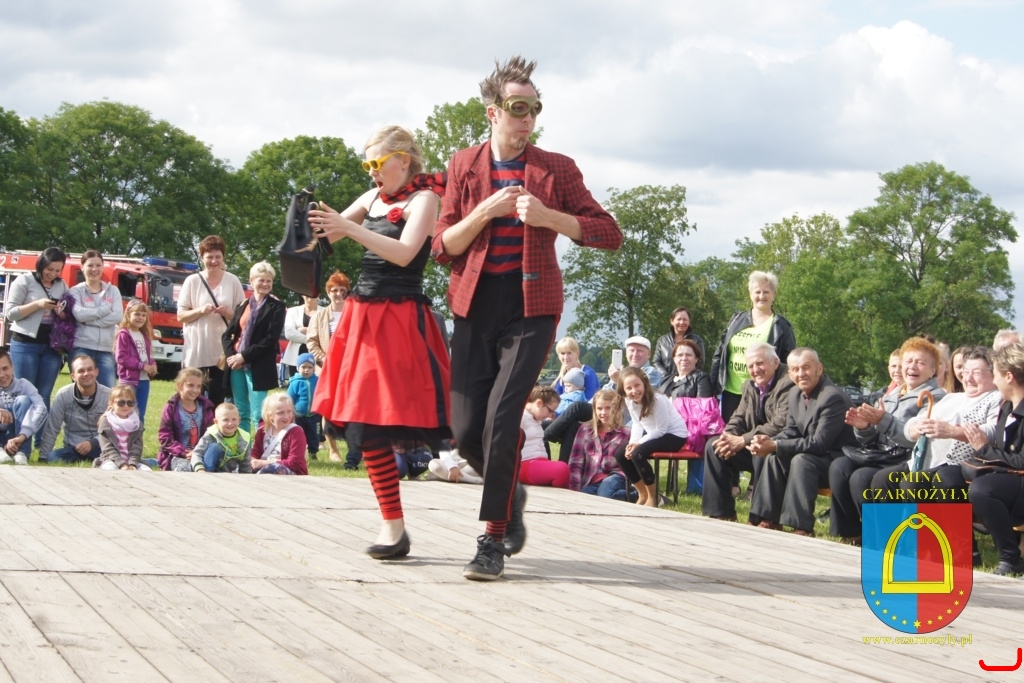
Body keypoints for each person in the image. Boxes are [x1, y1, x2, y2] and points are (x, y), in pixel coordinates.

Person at [431, 55, 622, 580]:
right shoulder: (463, 164)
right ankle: (510, 490)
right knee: (465, 429)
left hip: (531, 308)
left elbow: (609, 233)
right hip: (474, 305)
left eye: (535, 108)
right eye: (518, 108)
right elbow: (442, 247)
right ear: (493, 112)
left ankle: (491, 540)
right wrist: (485, 211)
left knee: (500, 420)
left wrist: (549, 217)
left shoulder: (556, 168)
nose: (528, 118)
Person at [309, 124, 451, 561]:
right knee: (363, 423)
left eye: (377, 162)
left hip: (402, 320)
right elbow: (327, 236)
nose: (371, 171)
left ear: (403, 160)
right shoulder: (372, 198)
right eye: (366, 163)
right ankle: (393, 525)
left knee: (442, 427)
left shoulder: (424, 199)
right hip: (363, 318)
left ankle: (504, 504)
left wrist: (347, 229)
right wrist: (309, 222)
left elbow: (405, 253)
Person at [829, 337, 945, 543]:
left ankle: (884, 537)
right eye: (908, 361)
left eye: (920, 363)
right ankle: (851, 532)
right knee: (840, 466)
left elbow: (915, 438)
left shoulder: (934, 398)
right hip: (882, 454)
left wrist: (883, 420)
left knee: (861, 477)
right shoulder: (891, 396)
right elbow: (872, 439)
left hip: (905, 458)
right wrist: (863, 427)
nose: (912, 367)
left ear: (933, 371)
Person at [748, 347, 856, 536]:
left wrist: (776, 445)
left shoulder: (832, 397)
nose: (801, 374)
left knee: (801, 460)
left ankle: (802, 527)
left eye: (806, 368)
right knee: (773, 457)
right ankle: (769, 519)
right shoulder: (795, 394)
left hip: (837, 460)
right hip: (815, 456)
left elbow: (820, 443)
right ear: (789, 373)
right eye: (795, 369)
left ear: (819, 369)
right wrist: (769, 440)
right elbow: (791, 432)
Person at [702, 342, 794, 521]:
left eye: (760, 363)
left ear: (775, 362)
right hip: (753, 443)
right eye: (750, 366)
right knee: (714, 446)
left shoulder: (789, 383)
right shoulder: (749, 385)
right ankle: (721, 514)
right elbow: (739, 417)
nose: (755, 370)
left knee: (761, 450)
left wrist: (743, 440)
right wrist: (728, 437)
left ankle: (761, 519)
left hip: (779, 447)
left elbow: (779, 424)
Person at [964, 343, 1024, 576]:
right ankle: (961, 551)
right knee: (948, 478)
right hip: (1009, 475)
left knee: (983, 490)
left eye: (996, 374)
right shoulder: (1007, 406)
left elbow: (1021, 462)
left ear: (1009, 376)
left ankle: (1010, 558)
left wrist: (984, 449)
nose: (995, 381)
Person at [710, 271, 796, 422]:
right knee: (731, 432)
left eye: (766, 292)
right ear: (750, 294)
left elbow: (789, 362)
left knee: (758, 434)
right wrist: (712, 387)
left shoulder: (781, 326)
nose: (761, 296)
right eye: (757, 292)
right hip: (731, 393)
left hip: (763, 394)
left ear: (774, 294)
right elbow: (720, 353)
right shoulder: (736, 320)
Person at [177, 235, 246, 405]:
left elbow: (244, 316)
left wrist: (228, 312)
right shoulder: (192, 281)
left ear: (223, 257)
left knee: (217, 400)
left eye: (218, 257)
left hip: (221, 352)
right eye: (209, 257)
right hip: (196, 350)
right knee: (191, 398)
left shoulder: (233, 281)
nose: (214, 261)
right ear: (202, 258)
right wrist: (200, 311)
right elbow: (180, 316)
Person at [5, 247, 69, 426]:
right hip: (25, 343)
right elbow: (10, 313)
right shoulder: (24, 280)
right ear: (41, 264)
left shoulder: (62, 285)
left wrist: (60, 311)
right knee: (24, 394)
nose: (53, 274)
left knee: (44, 394)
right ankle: (21, 435)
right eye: (49, 269)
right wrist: (38, 304)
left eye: (57, 270)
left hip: (52, 345)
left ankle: (41, 439)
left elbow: (67, 315)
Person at [222, 261, 287, 434]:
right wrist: (232, 357)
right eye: (261, 280)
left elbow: (270, 339)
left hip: (258, 365)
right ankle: (244, 445)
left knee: (259, 413)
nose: (265, 284)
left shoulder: (277, 307)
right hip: (236, 366)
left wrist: (243, 356)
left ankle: (260, 446)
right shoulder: (243, 305)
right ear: (251, 281)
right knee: (241, 411)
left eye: (269, 281)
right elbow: (227, 335)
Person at [614, 366, 689, 506]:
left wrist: (639, 444)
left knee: (638, 454)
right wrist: (632, 443)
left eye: (637, 385)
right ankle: (642, 494)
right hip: (654, 435)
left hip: (674, 436)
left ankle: (653, 497)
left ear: (644, 383)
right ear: (623, 390)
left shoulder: (658, 399)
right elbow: (637, 424)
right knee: (621, 454)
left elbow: (661, 430)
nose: (634, 391)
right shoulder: (629, 401)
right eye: (628, 388)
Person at [307, 271, 351, 464]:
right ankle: (333, 450)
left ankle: (355, 450)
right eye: (335, 290)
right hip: (327, 369)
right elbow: (311, 342)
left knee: (353, 408)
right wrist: (324, 359)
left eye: (342, 290)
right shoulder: (319, 316)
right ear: (328, 292)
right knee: (327, 408)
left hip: (351, 368)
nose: (338, 293)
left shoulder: (355, 314)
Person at [38, 354, 111, 464]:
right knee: (53, 457)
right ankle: (100, 461)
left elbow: (114, 429)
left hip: (101, 446)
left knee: (118, 452)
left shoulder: (109, 396)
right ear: (73, 376)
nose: (86, 374)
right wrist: (43, 457)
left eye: (90, 369)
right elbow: (52, 427)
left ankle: (103, 459)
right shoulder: (63, 395)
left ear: (96, 372)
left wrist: (93, 443)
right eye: (81, 371)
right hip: (74, 449)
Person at [69, 250, 123, 389]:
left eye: (98, 265)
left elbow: (118, 316)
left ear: (103, 267)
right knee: (82, 391)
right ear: (82, 267)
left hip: (105, 350)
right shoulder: (75, 291)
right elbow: (79, 315)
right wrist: (104, 310)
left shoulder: (113, 290)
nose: (94, 269)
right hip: (81, 347)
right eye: (90, 265)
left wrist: (88, 321)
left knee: (108, 392)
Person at [567, 389, 631, 501]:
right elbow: (576, 462)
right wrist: (574, 488)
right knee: (584, 496)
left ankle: (640, 495)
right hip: (591, 479)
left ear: (616, 409)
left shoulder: (626, 434)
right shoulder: (585, 430)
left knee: (606, 494)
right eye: (599, 409)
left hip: (615, 476)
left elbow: (633, 465)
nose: (603, 413)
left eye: (608, 408)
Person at [157, 367, 215, 472]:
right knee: (185, 469)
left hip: (201, 453)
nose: (195, 390)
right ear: (180, 386)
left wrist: (199, 452)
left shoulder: (206, 408)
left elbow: (212, 433)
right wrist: (184, 452)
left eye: (198, 386)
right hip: (177, 455)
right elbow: (165, 437)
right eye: (190, 385)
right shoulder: (171, 408)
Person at [0, 348, 48, 465]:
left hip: (19, 437)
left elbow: (42, 408)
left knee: (23, 400)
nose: (1, 375)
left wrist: (23, 436)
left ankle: (22, 453)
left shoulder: (24, 385)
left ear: (12, 367)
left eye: (5, 368)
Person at [115, 299, 158, 422]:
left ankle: (137, 434)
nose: (141, 318)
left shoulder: (144, 334)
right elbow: (121, 357)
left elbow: (147, 355)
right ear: (128, 314)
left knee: (140, 414)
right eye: (137, 314)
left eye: (144, 315)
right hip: (129, 380)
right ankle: (123, 433)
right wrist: (141, 366)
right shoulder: (124, 334)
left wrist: (153, 364)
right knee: (126, 412)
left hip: (144, 380)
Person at [519, 386, 570, 488]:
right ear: (539, 403)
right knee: (562, 469)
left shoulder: (536, 419)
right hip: (525, 463)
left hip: (538, 462)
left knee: (566, 471)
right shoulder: (521, 417)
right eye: (550, 410)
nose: (551, 415)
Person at [250, 394, 308, 475]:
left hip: (291, 472)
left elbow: (294, 463)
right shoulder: (262, 430)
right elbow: (255, 452)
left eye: (289, 411)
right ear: (270, 415)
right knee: (240, 468)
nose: (286, 416)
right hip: (264, 467)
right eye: (281, 413)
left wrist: (264, 463)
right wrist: (252, 461)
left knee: (271, 469)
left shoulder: (296, 432)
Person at [95, 384, 147, 470]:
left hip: (133, 461)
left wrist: (133, 463)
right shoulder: (106, 422)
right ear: (111, 404)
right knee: (110, 469)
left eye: (130, 403)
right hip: (110, 459)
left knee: (146, 471)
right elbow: (107, 448)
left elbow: (137, 447)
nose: (126, 406)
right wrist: (122, 464)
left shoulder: (136, 423)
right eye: (121, 402)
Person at [190, 403, 252, 473]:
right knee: (215, 447)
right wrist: (200, 469)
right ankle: (208, 473)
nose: (230, 423)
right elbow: (197, 453)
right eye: (225, 420)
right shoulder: (211, 434)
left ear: (239, 420)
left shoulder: (244, 438)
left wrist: (247, 476)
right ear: (216, 422)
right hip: (205, 470)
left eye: (234, 419)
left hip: (227, 473)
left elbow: (246, 463)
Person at [653, 306, 707, 378]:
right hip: (666, 380)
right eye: (679, 319)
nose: (682, 322)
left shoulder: (697, 340)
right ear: (672, 321)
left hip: (689, 381)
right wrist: (667, 377)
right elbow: (656, 362)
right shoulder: (662, 340)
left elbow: (700, 362)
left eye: (685, 319)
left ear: (689, 322)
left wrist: (686, 378)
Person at [287, 352, 320, 461]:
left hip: (314, 415)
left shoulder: (317, 381)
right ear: (297, 368)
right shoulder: (295, 382)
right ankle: (298, 453)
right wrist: (290, 411)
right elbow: (290, 398)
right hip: (299, 416)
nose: (306, 370)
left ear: (314, 368)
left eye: (310, 367)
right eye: (303, 367)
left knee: (314, 435)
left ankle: (313, 453)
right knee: (299, 434)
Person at [282, 296, 320, 377]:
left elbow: (326, 333)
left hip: (318, 357)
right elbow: (289, 333)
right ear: (303, 295)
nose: (310, 295)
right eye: (307, 293)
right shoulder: (293, 311)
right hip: (296, 357)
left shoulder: (326, 311)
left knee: (317, 384)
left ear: (319, 294)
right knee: (296, 383)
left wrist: (304, 330)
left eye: (314, 293)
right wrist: (312, 340)